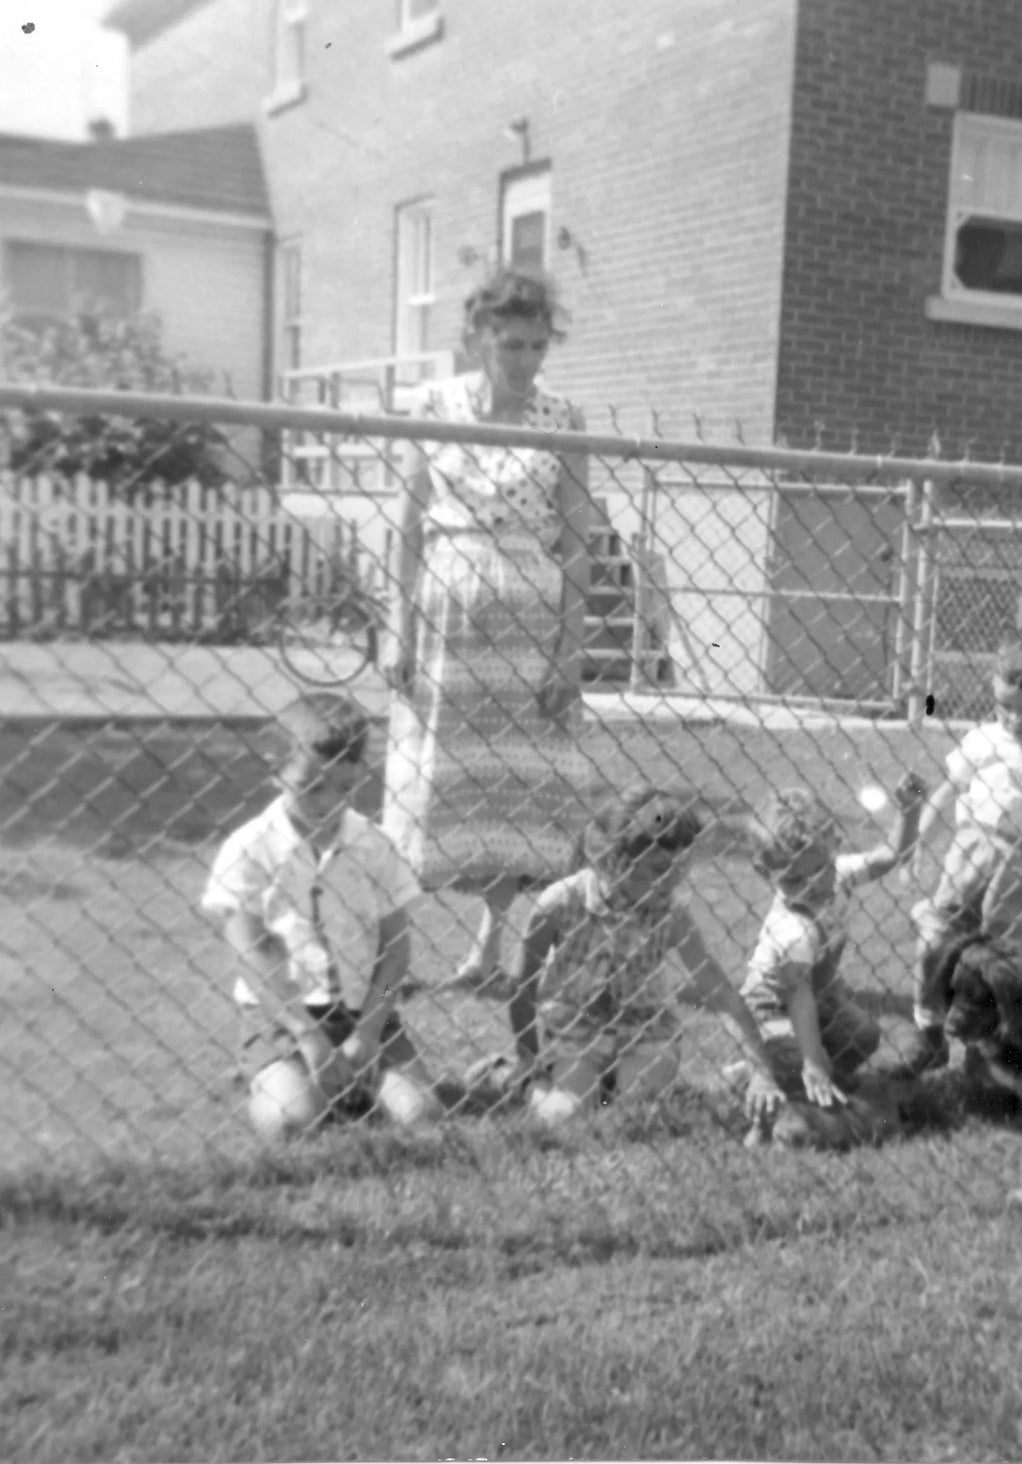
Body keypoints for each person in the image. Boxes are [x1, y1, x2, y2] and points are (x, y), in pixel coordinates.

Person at [382, 267, 596, 988]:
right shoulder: (434, 405)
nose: (524, 361)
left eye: (537, 346)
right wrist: (396, 629)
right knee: (429, 782)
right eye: (510, 345)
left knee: (514, 787)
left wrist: (569, 653)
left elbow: (575, 541)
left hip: (529, 616)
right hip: (446, 610)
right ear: (477, 338)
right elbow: (407, 527)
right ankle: (391, 957)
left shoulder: (562, 419)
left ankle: (488, 946)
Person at [201, 692, 442, 1140]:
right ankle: (282, 1074)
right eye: (311, 787)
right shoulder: (249, 848)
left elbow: (395, 949)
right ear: (276, 771)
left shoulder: (375, 845)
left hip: (365, 1010)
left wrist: (368, 1032)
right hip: (283, 1015)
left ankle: (354, 1080)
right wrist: (306, 1034)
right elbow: (249, 953)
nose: (328, 803)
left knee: (421, 1117)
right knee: (290, 1124)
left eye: (345, 788)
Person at [506, 785, 786, 1130]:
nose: (671, 879)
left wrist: (762, 1070)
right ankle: (517, 1079)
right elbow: (521, 986)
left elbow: (720, 993)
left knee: (630, 1108)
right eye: (657, 868)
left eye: (680, 866)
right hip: (574, 1035)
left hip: (644, 1034)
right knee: (567, 1116)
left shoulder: (671, 915)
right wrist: (528, 1057)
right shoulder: (561, 903)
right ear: (613, 858)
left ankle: (609, 1089)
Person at [893, 624, 1022, 1079]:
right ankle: (928, 1032)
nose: (1012, 719)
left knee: (1002, 964)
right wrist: (917, 848)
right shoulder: (985, 740)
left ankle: (983, 1054)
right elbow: (948, 790)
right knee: (937, 939)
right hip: (969, 851)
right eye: (1003, 706)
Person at [741, 776, 926, 1147]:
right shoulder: (793, 927)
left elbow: (888, 856)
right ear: (765, 872)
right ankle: (768, 1106)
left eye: (819, 869)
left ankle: (816, 1086)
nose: (811, 885)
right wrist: (812, 1059)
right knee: (802, 1058)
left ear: (834, 848)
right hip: (771, 1007)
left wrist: (910, 810)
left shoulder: (837, 874)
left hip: (818, 996)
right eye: (793, 878)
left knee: (864, 1035)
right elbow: (797, 994)